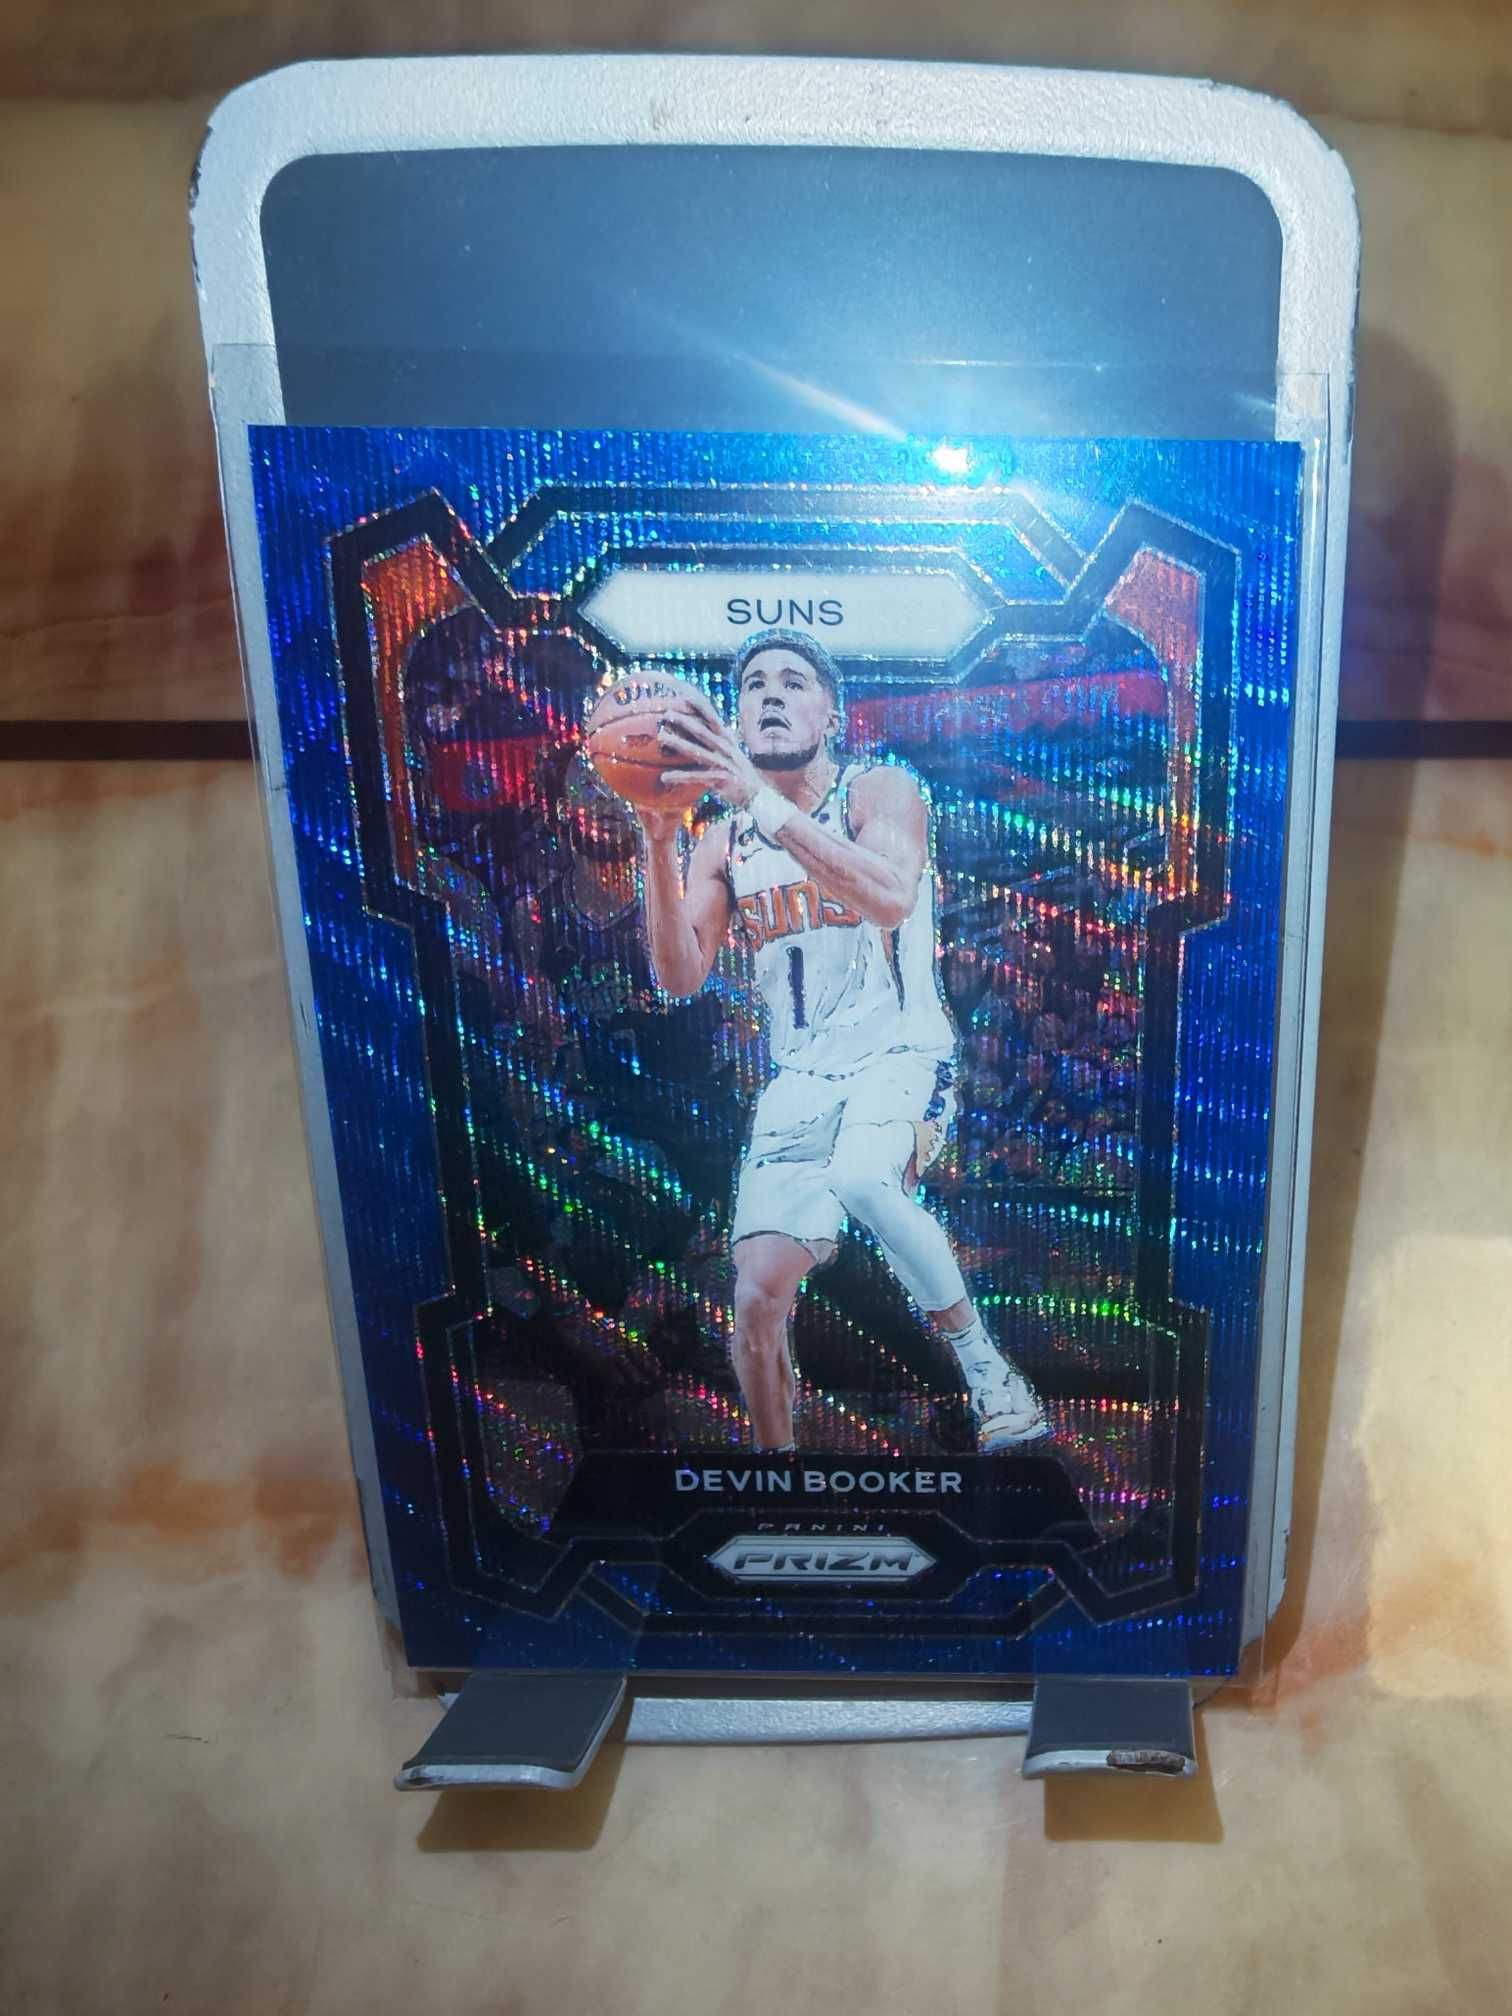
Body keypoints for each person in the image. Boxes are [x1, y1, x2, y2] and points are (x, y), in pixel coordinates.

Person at [635, 627, 1047, 1454]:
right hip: (800, 1078)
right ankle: (776, 1472)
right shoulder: (723, 841)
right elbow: (678, 976)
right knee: (755, 1300)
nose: (771, 694)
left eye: (794, 682)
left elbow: (889, 897)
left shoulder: (879, 789)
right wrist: (658, 838)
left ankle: (991, 1375)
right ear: (736, 718)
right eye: (755, 684)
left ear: (832, 715)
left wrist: (759, 799)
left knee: (862, 1175)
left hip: (901, 1053)